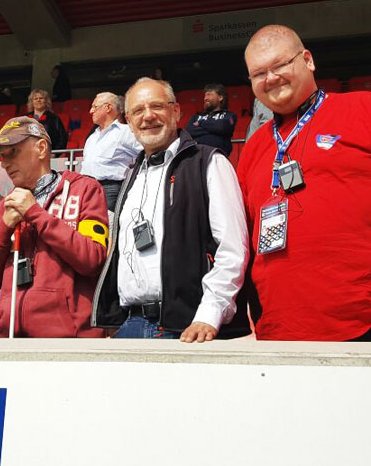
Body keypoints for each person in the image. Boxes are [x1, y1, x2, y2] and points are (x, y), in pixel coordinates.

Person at [237, 24, 371, 342]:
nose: (270, 78)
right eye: (258, 73)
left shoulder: (366, 108)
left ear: (308, 60)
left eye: (280, 65)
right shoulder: (254, 147)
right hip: (281, 331)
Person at [91, 78, 249, 342]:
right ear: (128, 121)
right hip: (130, 325)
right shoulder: (131, 175)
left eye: (157, 106)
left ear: (176, 111)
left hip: (189, 329)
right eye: (138, 111)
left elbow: (232, 248)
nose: (148, 116)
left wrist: (208, 315)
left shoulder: (210, 162)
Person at [0, 116, 108, 338]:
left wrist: (35, 214)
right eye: (1, 156)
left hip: (68, 339)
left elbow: (92, 259)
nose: (4, 163)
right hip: (8, 337)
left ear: (41, 147)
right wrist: (3, 228)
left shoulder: (85, 190)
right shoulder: (5, 207)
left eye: (13, 152)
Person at [80, 92, 142, 212]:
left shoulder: (125, 132)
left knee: (108, 225)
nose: (91, 111)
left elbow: (147, 152)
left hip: (109, 190)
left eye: (94, 107)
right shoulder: (92, 137)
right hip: (86, 190)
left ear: (107, 107)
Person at [185, 83, 237, 156]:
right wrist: (215, 130)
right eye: (205, 95)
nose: (205, 98)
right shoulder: (196, 117)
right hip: (196, 157)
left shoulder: (230, 116)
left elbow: (223, 127)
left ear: (220, 98)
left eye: (209, 94)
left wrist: (201, 123)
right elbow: (189, 131)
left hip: (218, 156)